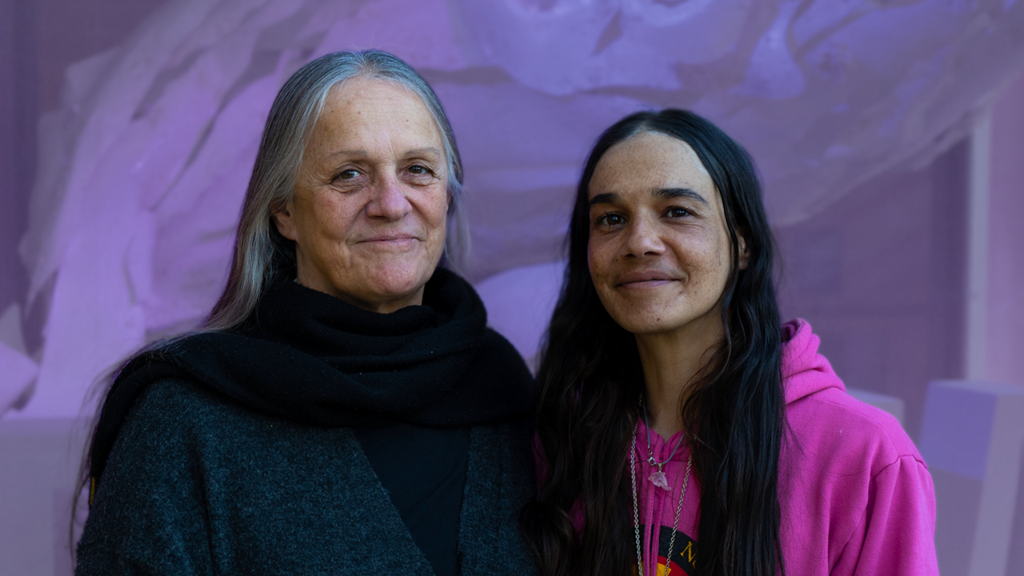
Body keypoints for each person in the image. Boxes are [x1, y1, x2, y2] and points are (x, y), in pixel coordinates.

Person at [75, 50, 537, 576]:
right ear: (284, 211)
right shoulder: (182, 420)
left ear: (447, 197)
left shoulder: (503, 388)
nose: (391, 204)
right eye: (349, 174)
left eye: (418, 170)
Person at [521, 109, 938, 576]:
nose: (639, 242)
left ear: (743, 243)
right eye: (611, 218)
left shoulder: (864, 455)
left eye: (677, 212)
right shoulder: (560, 440)